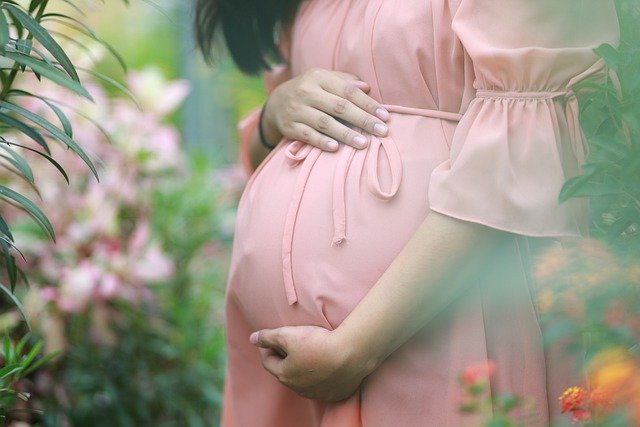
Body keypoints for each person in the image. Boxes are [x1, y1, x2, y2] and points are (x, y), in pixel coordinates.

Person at [194, 0, 620, 425]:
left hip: (443, 320)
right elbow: (266, 158)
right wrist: (274, 113)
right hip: (291, 379)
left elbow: (527, 161)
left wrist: (354, 350)